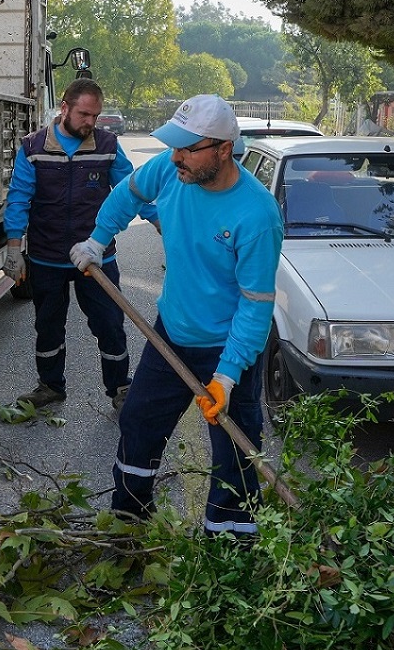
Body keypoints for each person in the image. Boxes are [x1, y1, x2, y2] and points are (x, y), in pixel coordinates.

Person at [70, 94, 283, 536]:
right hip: (170, 335)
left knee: (235, 451)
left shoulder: (257, 214)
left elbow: (255, 305)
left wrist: (227, 377)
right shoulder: (171, 171)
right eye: (174, 146)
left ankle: (230, 545)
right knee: (139, 421)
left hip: (227, 348)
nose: (175, 157)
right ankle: (129, 520)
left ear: (223, 150)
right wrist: (97, 240)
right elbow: (128, 194)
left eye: (188, 148)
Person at [4, 77, 152, 412]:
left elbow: (132, 190)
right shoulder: (33, 147)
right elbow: (19, 198)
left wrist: (159, 220)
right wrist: (14, 247)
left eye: (95, 116)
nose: (90, 122)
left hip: (96, 258)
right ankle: (50, 386)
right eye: (84, 114)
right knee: (48, 326)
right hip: (47, 257)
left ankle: (120, 388)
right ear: (64, 108)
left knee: (110, 325)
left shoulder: (107, 145)